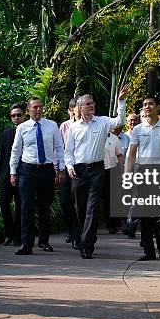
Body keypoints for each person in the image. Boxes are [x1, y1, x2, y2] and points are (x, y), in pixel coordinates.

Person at [64, 84, 129, 259]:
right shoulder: (74, 128)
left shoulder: (102, 122)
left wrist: (121, 102)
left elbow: (119, 121)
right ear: (79, 108)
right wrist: (69, 167)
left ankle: (86, 244)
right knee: (80, 208)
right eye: (87, 104)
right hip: (78, 171)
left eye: (92, 103)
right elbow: (68, 151)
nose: (91, 106)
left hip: (97, 170)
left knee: (92, 208)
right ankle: (86, 238)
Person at [10, 97, 66, 255]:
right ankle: (26, 244)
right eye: (35, 107)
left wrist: (60, 169)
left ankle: (43, 241)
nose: (39, 110)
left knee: (45, 207)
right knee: (26, 206)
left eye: (40, 107)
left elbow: (59, 147)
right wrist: (13, 172)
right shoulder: (22, 128)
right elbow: (16, 151)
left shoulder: (52, 125)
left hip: (47, 170)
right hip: (27, 171)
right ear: (28, 110)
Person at [127, 95, 160, 261]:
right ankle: (148, 251)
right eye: (144, 105)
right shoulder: (138, 129)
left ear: (158, 107)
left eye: (150, 104)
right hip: (143, 173)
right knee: (145, 214)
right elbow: (132, 153)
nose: (147, 107)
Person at [0, 104, 25, 246]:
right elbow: (1, 155)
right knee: (4, 203)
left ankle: (18, 236)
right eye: (13, 115)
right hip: (6, 174)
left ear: (24, 115)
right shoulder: (6, 133)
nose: (16, 118)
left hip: (22, 173)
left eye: (18, 115)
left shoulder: (28, 131)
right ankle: (9, 234)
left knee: (20, 206)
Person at [59, 98, 81, 249]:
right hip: (67, 168)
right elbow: (59, 148)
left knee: (79, 202)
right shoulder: (65, 126)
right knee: (65, 200)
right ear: (71, 110)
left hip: (82, 167)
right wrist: (59, 169)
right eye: (76, 108)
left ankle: (78, 234)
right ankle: (72, 229)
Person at [102, 130, 123, 234]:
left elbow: (120, 156)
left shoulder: (114, 138)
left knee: (110, 199)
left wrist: (121, 172)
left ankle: (111, 225)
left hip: (111, 170)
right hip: (95, 170)